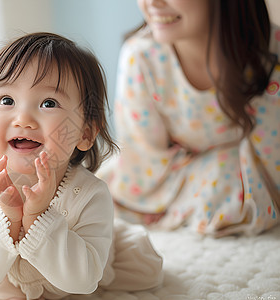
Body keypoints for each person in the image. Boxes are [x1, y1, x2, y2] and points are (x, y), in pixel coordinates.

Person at [0, 32, 163, 300]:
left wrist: (37, 216)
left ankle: (111, 236)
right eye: (7, 100)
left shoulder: (90, 194)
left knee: (145, 268)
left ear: (85, 133)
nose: (23, 119)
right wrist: (8, 217)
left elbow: (83, 281)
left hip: (70, 282)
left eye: (48, 103)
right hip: (1, 283)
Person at [97, 0, 280, 237]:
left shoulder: (271, 53)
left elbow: (271, 156)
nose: (152, 3)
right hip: (172, 177)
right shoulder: (142, 56)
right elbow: (142, 162)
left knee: (229, 182)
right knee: (95, 196)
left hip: (254, 169)